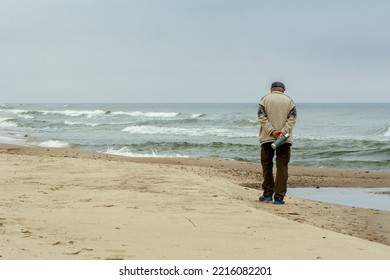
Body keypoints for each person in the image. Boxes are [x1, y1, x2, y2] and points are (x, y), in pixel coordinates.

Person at [257, 81, 297, 204]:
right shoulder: (289, 101)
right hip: (284, 139)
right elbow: (292, 118)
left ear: (271, 89)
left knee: (267, 165)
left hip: (267, 138)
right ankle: (279, 197)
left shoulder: (265, 99)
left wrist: (272, 131)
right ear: (283, 89)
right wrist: (282, 133)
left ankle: (268, 194)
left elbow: (261, 117)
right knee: (282, 167)